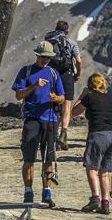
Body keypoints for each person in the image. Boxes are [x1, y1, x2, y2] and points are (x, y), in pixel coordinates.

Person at [12, 41, 65, 208]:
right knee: (29, 158)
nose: (45, 60)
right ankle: (28, 191)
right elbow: (19, 96)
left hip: (50, 119)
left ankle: (47, 191)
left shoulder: (53, 73)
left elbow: (63, 96)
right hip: (32, 118)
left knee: (48, 157)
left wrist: (56, 98)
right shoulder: (26, 71)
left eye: (48, 57)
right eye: (43, 57)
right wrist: (34, 86)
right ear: (37, 55)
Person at [72, 73, 112, 215]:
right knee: (105, 172)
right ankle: (105, 203)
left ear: (90, 85)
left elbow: (74, 112)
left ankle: (95, 197)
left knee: (92, 168)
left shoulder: (89, 97)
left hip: (98, 134)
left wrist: (82, 95)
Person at [44, 20, 82, 150]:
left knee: (54, 103)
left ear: (55, 29)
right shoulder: (71, 43)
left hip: (53, 74)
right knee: (67, 105)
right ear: (67, 32)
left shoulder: (50, 42)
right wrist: (77, 75)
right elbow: (78, 61)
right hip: (67, 75)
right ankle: (63, 134)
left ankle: (53, 136)